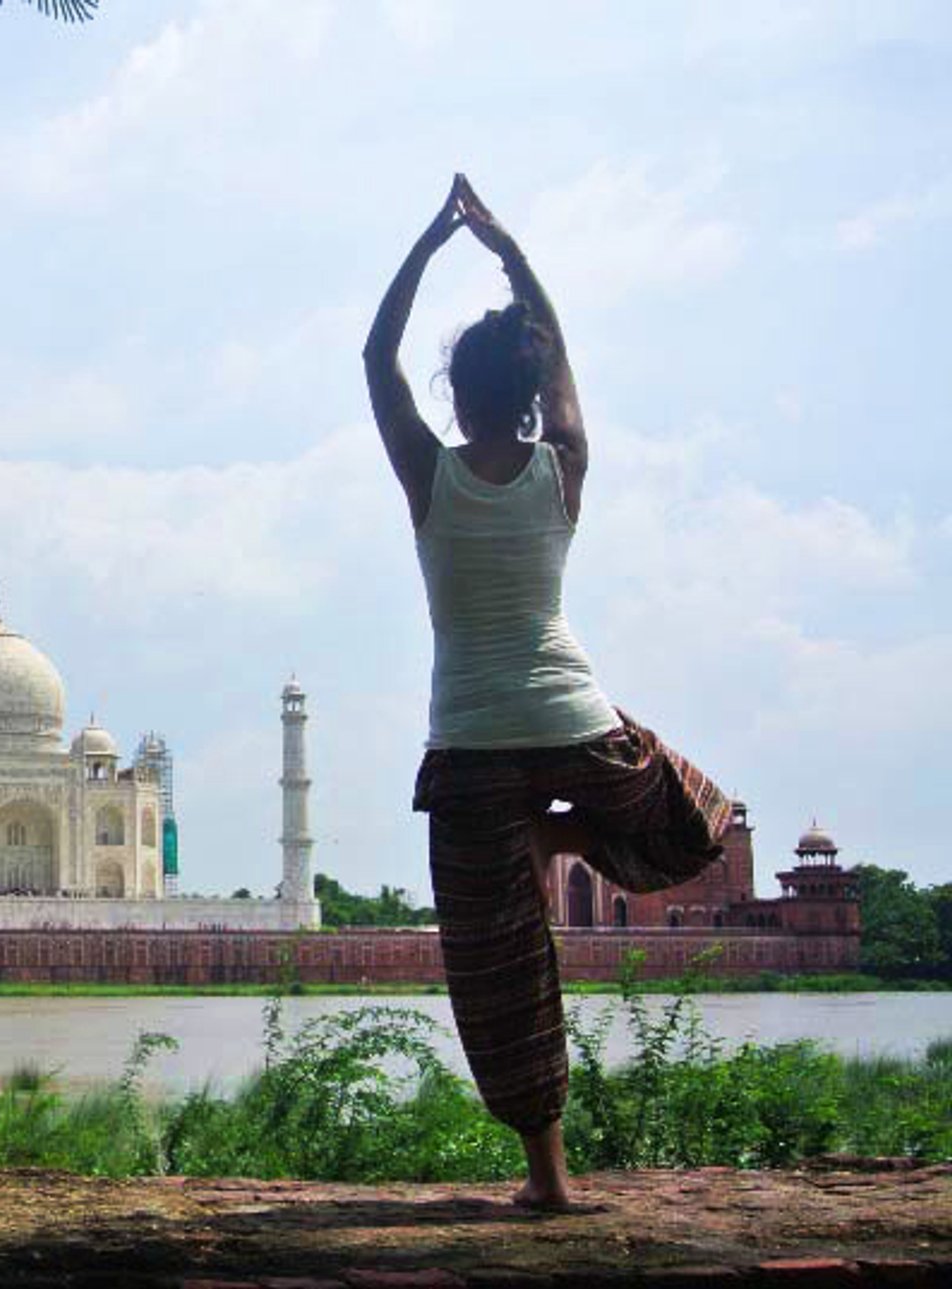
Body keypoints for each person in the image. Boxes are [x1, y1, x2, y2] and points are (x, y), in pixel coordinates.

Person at [362, 174, 733, 1209]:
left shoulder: (427, 475)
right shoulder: (563, 463)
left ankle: (549, 1179)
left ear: (457, 393)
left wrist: (431, 241)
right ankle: (564, 836)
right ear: (527, 393)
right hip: (578, 724)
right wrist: (510, 249)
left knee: (501, 966)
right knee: (705, 822)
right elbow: (565, 359)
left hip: (473, 743)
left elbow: (372, 359)